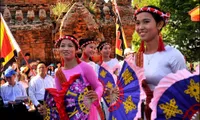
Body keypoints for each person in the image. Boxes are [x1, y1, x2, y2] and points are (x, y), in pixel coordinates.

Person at [134, 5, 187, 119]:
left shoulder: (173, 55)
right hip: (141, 114)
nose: (140, 27)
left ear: (159, 24)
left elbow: (185, 90)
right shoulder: (136, 58)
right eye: (138, 23)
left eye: (146, 22)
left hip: (168, 113)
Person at [38, 35, 103, 120]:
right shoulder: (59, 73)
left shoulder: (85, 67)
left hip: (88, 112)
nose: (66, 49)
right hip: (70, 115)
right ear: (59, 49)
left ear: (76, 49)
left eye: (70, 46)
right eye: (62, 46)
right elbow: (59, 99)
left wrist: (96, 94)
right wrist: (47, 109)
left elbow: (98, 86)